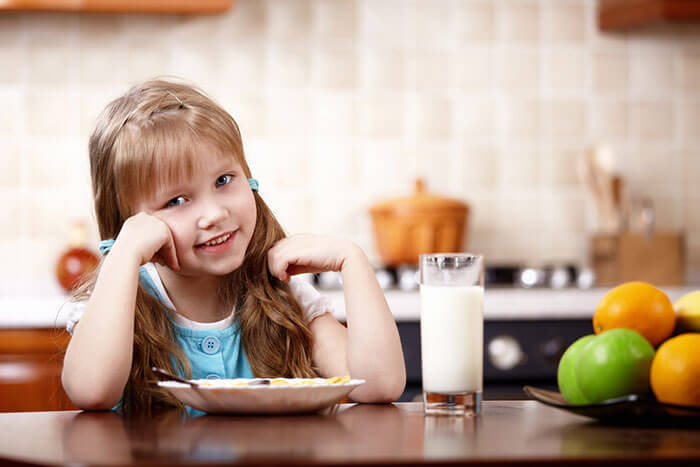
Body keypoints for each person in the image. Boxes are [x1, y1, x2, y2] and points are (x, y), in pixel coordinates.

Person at [61, 78, 406, 412]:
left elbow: (378, 385)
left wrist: (353, 261)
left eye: (224, 180)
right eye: (177, 200)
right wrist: (124, 253)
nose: (214, 213)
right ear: (133, 223)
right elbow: (92, 392)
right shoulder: (116, 303)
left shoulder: (282, 295)